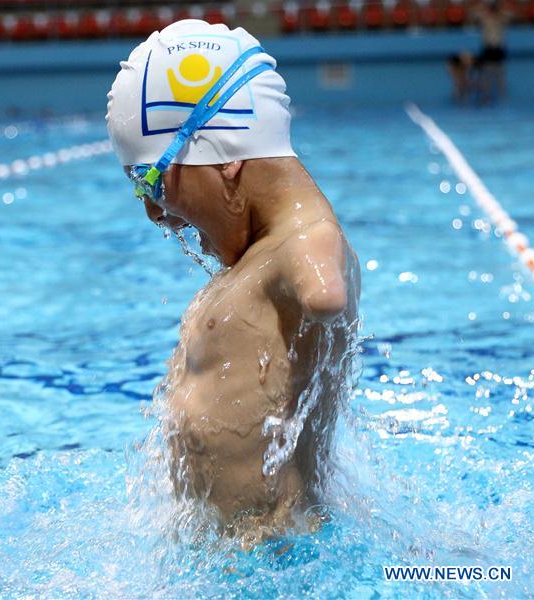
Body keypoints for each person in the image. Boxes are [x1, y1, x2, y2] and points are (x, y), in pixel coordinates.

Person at [106, 20, 360, 543]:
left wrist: (317, 267)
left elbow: (325, 290)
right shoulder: (260, 258)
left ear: (226, 154)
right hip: (233, 555)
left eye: (150, 181)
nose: (156, 214)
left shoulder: (304, 242)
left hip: (275, 555)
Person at [473, 0, 511, 104]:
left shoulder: (501, 19)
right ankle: (486, 98)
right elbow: (474, 15)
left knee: (500, 75)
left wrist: (500, 9)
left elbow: (510, 15)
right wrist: (484, 6)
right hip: (488, 48)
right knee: (486, 75)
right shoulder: (485, 19)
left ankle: (503, 98)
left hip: (498, 48)